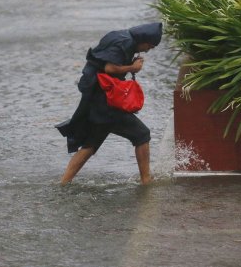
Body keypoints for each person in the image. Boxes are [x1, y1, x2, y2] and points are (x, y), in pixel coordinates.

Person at [57, 22, 163, 185]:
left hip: (97, 99)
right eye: (149, 46)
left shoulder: (119, 35)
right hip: (106, 103)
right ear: (144, 39)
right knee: (142, 135)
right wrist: (132, 67)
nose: (148, 49)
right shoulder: (125, 42)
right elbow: (109, 68)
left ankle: (64, 182)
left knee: (90, 145)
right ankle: (146, 181)